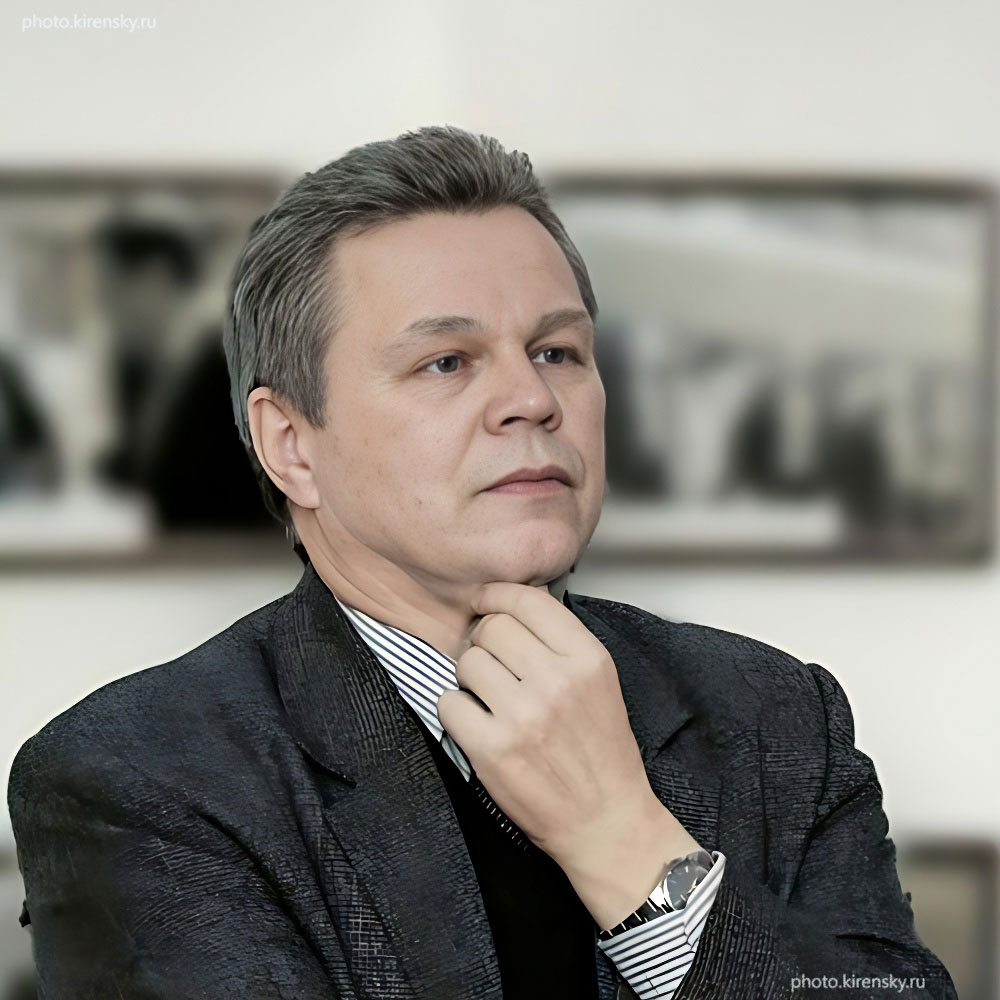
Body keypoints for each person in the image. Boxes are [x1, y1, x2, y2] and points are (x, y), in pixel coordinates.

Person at [7, 127, 956, 1000]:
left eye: (557, 350)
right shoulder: (136, 777)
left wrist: (622, 841)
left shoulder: (777, 715)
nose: (531, 399)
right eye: (447, 362)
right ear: (290, 443)